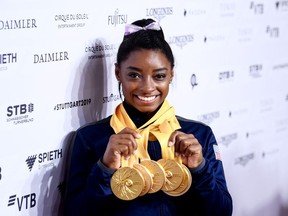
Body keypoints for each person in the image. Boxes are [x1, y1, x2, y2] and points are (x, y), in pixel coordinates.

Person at [64, 18, 233, 216]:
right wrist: (105, 168)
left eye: (159, 76)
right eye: (134, 75)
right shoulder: (91, 138)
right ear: (118, 73)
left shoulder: (198, 135)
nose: (147, 87)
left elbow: (222, 212)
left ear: (171, 75)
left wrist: (200, 168)